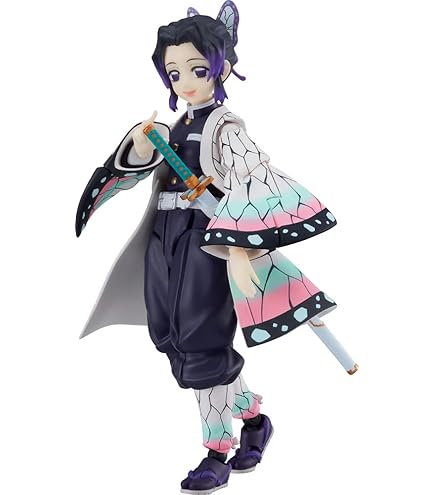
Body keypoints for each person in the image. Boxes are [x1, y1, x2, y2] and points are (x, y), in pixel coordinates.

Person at [76, 3, 338, 493]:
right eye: (174, 72)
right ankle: (254, 418)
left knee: (201, 344)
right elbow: (139, 171)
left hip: (208, 240)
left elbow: (253, 182)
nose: (185, 82)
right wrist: (140, 146)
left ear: (221, 67)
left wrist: (238, 250)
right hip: (165, 234)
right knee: (169, 337)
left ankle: (217, 451)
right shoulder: (175, 126)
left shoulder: (227, 128)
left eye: (197, 70)